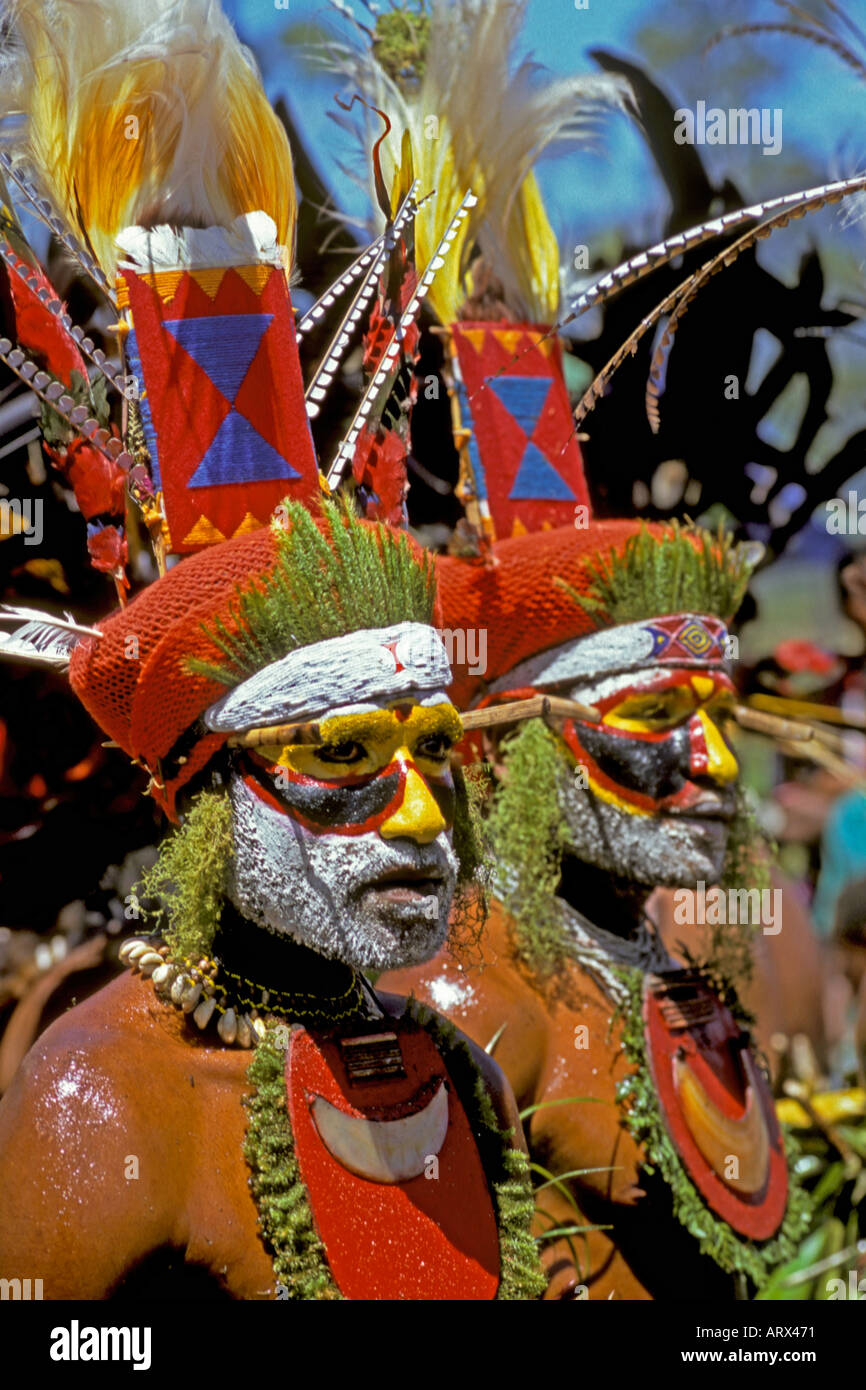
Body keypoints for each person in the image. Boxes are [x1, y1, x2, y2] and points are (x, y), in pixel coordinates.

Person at [383, 519, 810, 1299]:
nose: (714, 760)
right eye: (656, 716)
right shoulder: (467, 1002)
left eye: (719, 717)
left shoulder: (655, 961)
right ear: (514, 751)